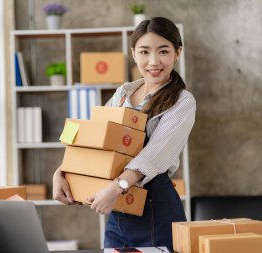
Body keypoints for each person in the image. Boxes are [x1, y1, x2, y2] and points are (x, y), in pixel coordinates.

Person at [53, 17, 196, 251]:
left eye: (163, 51)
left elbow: (154, 154)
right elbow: (95, 138)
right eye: (144, 52)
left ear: (177, 53)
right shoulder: (123, 93)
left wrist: (116, 187)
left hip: (154, 209)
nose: (153, 61)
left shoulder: (182, 101)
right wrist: (61, 172)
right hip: (119, 210)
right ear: (133, 53)